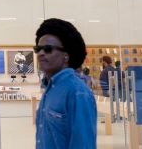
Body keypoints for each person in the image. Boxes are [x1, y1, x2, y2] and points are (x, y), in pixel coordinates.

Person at [34, 18, 96, 149]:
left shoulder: (77, 92)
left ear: (66, 56)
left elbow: (83, 144)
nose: (40, 54)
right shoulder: (50, 89)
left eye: (48, 49)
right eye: (38, 49)